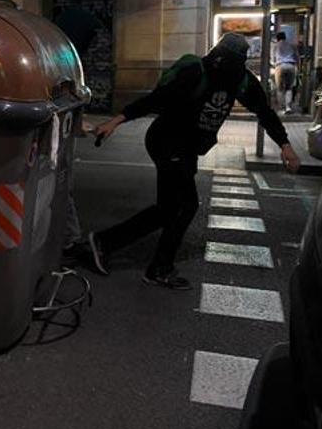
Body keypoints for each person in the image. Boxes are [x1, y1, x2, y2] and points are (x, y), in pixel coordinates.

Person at [86, 33, 300, 290]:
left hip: (185, 147)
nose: (228, 68)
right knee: (185, 206)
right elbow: (156, 99)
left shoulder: (240, 80)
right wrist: (116, 120)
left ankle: (102, 243)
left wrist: (285, 145)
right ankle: (158, 268)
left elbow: (264, 112)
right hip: (167, 140)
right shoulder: (196, 72)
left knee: (168, 208)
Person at [53, 0, 104, 260]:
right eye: (90, 37)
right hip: (53, 144)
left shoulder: (64, 57)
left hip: (59, 140)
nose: (94, 43)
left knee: (61, 190)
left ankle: (67, 240)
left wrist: (84, 126)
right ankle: (68, 241)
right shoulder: (62, 60)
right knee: (60, 189)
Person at [272, 31, 298, 115]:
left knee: (279, 88)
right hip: (291, 66)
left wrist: (274, 65)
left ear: (277, 38)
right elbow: (297, 57)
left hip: (280, 66)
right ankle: (288, 107)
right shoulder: (292, 45)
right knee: (289, 88)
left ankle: (281, 108)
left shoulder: (276, 46)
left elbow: (273, 59)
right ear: (285, 37)